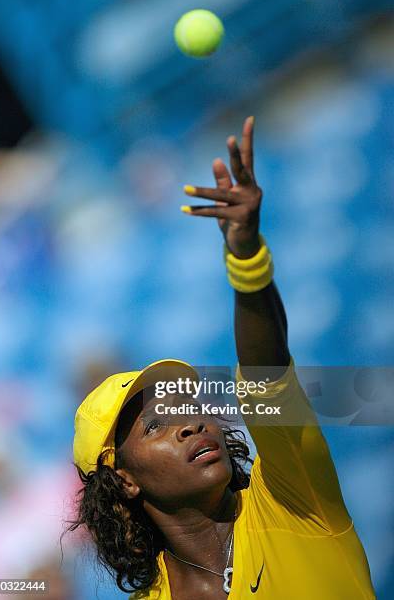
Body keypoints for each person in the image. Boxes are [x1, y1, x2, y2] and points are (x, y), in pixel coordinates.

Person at [70, 117, 376, 599]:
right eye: (155, 426)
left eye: (189, 409)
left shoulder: (290, 496)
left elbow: (266, 378)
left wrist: (246, 259)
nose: (189, 424)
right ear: (123, 481)